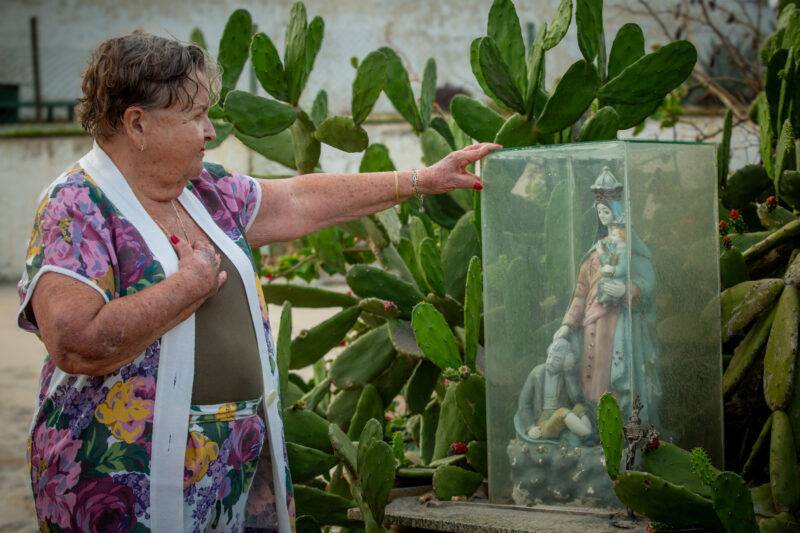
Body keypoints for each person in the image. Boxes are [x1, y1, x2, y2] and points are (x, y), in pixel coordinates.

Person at [16, 31, 500, 532]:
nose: (210, 131)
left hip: (229, 469)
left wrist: (420, 181)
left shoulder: (203, 189)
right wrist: (189, 286)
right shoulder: (76, 205)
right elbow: (76, 342)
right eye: (195, 116)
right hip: (119, 480)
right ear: (137, 122)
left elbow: (299, 200)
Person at [551, 167, 660, 425]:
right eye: (599, 212)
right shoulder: (594, 252)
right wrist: (567, 326)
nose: (603, 216)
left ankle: (622, 423)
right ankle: (595, 423)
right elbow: (580, 294)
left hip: (618, 324)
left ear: (617, 210)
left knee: (615, 374)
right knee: (591, 375)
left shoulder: (631, 249)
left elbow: (647, 282)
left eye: (606, 211)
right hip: (591, 324)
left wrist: (626, 290)